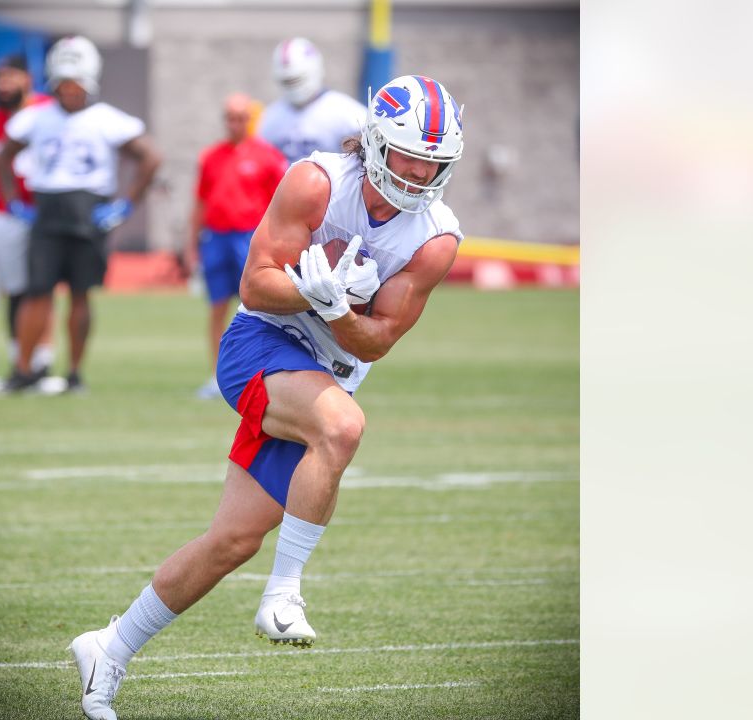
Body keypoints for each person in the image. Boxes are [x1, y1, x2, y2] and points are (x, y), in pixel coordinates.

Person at [67, 74, 466, 720]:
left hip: (323, 369)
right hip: (259, 346)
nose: (421, 172)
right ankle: (284, 594)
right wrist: (315, 293)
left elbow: (375, 342)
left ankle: (108, 648)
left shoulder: (436, 237)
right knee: (341, 428)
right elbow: (255, 286)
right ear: (374, 141)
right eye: (409, 154)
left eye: (435, 161)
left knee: (231, 542)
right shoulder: (317, 181)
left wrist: (336, 308)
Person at [0, 36, 161, 394]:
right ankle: (24, 370)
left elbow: (150, 157)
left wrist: (126, 203)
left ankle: (73, 372)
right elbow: (1, 154)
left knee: (80, 294)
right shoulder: (36, 118)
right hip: (49, 209)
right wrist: (11, 199)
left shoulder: (107, 120)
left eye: (76, 85)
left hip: (89, 212)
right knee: (37, 292)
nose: (70, 91)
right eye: (64, 84)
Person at [0, 54, 58, 392]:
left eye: (11, 77)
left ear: (27, 78)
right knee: (19, 292)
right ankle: (20, 361)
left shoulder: (49, 110)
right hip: (8, 215)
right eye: (0, 79)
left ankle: (42, 363)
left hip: (47, 212)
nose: (5, 85)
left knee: (43, 288)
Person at [188, 93, 288, 399]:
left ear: (250, 119)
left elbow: (282, 205)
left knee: (258, 307)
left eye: (240, 117)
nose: (234, 124)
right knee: (217, 306)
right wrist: (190, 245)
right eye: (229, 117)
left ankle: (259, 373)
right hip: (216, 237)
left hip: (250, 238)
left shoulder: (268, 157)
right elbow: (200, 203)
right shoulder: (211, 157)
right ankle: (219, 375)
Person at [256, 37, 366, 164]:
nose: (293, 86)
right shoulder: (269, 118)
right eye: (287, 81)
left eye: (296, 80)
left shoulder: (349, 114)